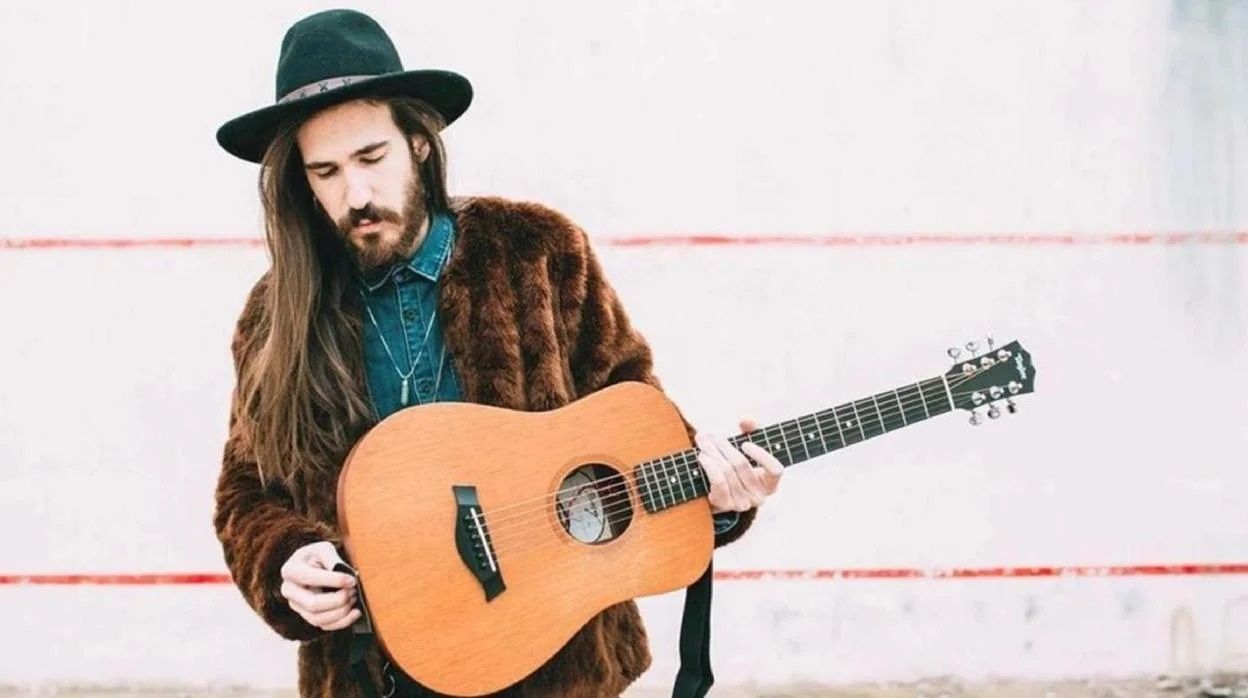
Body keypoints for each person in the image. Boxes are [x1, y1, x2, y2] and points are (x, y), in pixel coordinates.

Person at [213, 9, 783, 697]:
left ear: (419, 144)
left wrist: (720, 498)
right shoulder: (274, 316)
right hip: (373, 671)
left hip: (557, 664)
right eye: (327, 172)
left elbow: (636, 430)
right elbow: (245, 494)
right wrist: (284, 564)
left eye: (372, 158)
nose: (356, 194)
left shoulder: (538, 253)